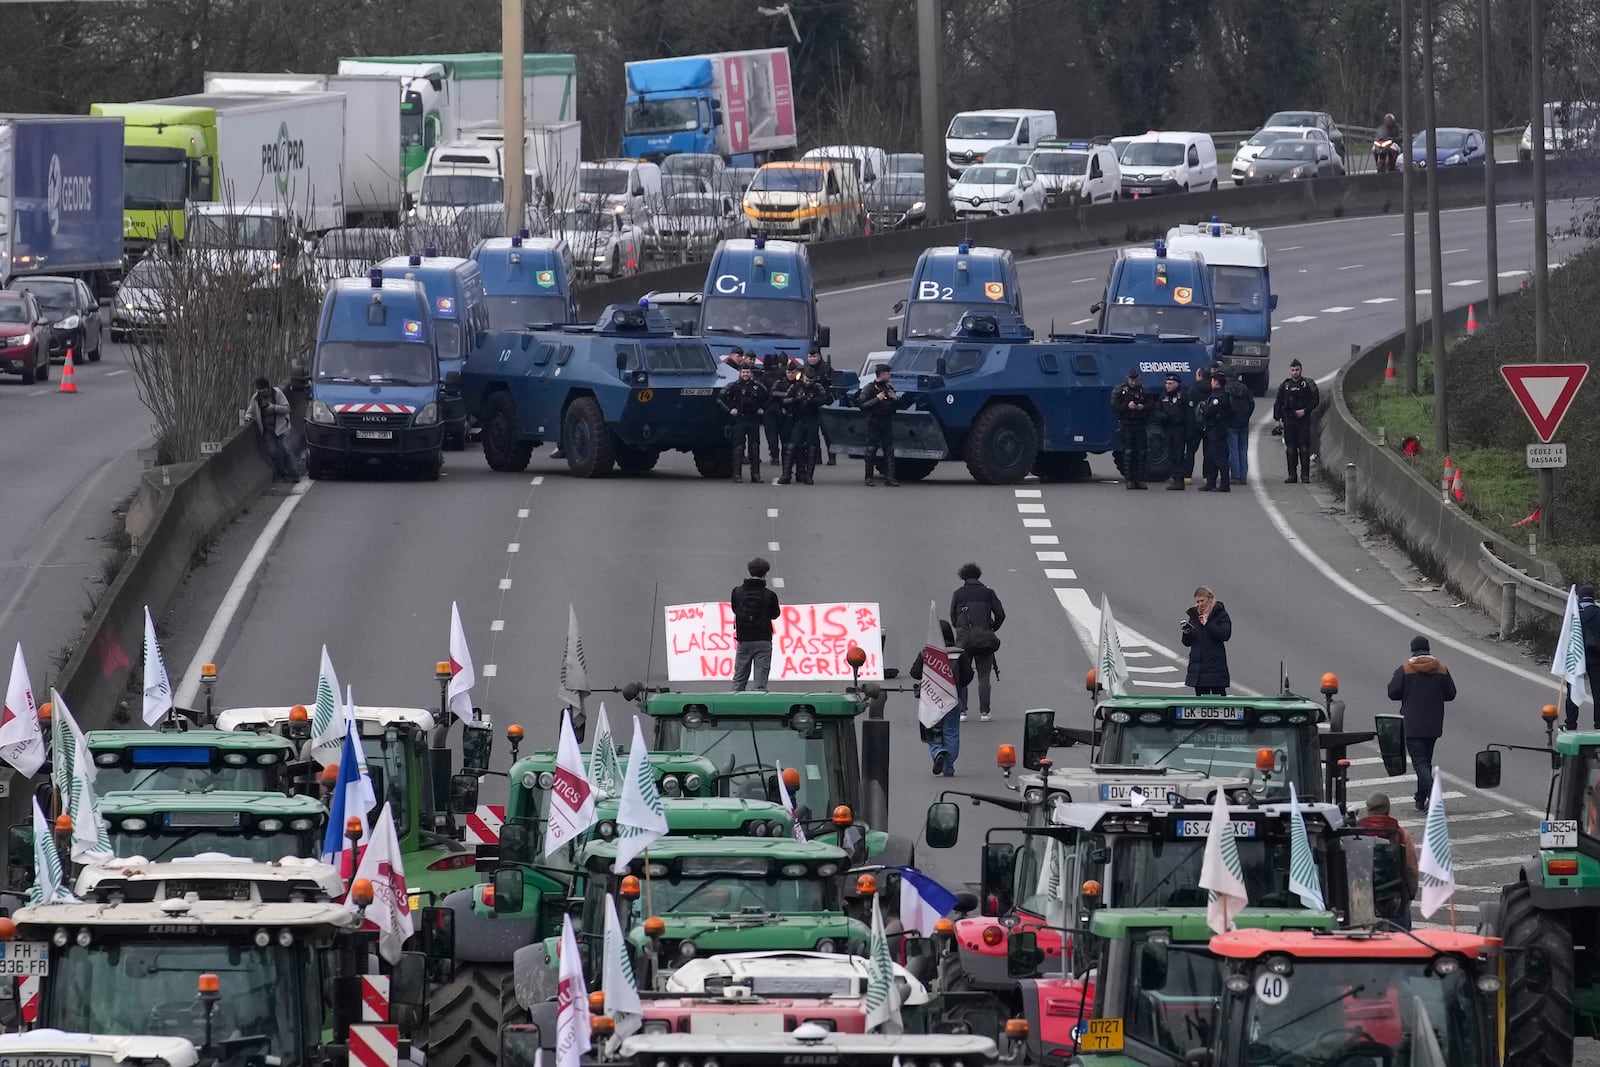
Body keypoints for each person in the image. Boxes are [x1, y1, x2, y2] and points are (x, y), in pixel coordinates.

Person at [1386, 635, 1456, 811]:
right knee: (1425, 762)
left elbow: (1393, 692)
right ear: (1428, 649)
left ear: (1413, 650)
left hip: (1412, 724)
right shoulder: (1441, 669)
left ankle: (1433, 794)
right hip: (1433, 724)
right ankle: (1420, 798)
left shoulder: (1406, 669)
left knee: (1419, 763)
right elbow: (1451, 693)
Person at [910, 619, 974, 776]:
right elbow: (967, 677)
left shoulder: (926, 652)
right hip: (952, 699)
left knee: (932, 729)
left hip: (932, 699)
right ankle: (948, 766)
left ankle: (938, 751)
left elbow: (915, 673)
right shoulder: (959, 653)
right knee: (951, 732)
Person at [950, 563, 1005, 722]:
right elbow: (1000, 614)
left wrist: (962, 631)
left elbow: (953, 618)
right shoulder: (988, 593)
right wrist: (991, 628)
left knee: (962, 677)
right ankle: (984, 712)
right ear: (978, 575)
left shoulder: (958, 594)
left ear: (963, 576)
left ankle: (962, 711)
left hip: (964, 642)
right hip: (985, 640)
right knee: (984, 677)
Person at [1357, 792, 1419, 931]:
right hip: (1395, 899)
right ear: (1388, 809)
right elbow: (1411, 868)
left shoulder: (1357, 832)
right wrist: (1410, 893)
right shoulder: (1401, 834)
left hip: (1365, 898)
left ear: (1368, 810)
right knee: (1401, 943)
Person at [729, 557, 781, 692]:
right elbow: (775, 614)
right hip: (763, 640)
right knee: (760, 681)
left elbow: (735, 610)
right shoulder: (770, 595)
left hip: (744, 639)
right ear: (765, 573)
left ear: (750, 572)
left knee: (739, 678)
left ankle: (734, 706)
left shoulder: (737, 591)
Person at [1272, 358, 1320, 484]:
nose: (1295, 372)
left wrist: (1305, 410)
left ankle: (1305, 475)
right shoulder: (1285, 385)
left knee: (1304, 448)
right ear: (1290, 370)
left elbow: (1315, 400)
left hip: (1303, 419)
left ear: (1301, 370)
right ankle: (1292, 475)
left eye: (1297, 370)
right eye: (1293, 370)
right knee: (1290, 448)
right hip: (1289, 419)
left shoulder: (1307, 384)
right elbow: (1278, 402)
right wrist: (1277, 420)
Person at [720, 364, 768, 483]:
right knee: (738, 448)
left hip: (753, 420)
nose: (745, 374)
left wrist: (762, 408)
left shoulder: (758, 386)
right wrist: (730, 409)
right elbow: (720, 398)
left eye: (747, 372)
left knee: (754, 448)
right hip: (739, 420)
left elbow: (768, 398)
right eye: (743, 372)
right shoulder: (735, 386)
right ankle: (737, 474)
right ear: (740, 373)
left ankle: (755, 474)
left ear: (751, 373)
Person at [1182, 587, 1232, 695]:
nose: (1200, 604)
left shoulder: (1220, 614)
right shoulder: (1194, 616)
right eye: (1197, 601)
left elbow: (1225, 635)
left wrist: (1208, 623)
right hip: (1198, 669)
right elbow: (1187, 643)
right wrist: (1186, 632)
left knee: (1219, 704)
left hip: (1215, 668)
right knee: (1200, 703)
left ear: (1210, 599)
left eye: (1202, 601)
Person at [781, 361, 824, 485]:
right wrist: (796, 399)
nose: (807, 383)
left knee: (811, 448)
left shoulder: (817, 387)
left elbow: (824, 398)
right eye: (806, 380)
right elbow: (785, 400)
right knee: (792, 446)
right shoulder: (796, 386)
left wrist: (811, 400)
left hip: (812, 420)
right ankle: (786, 474)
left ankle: (808, 475)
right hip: (799, 419)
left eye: (810, 380)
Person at [857, 364, 899, 486]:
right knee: (871, 449)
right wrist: (877, 399)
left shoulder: (889, 387)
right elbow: (862, 404)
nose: (889, 376)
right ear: (881, 375)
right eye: (887, 373)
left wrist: (895, 399)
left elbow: (896, 407)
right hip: (874, 422)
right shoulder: (869, 388)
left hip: (886, 422)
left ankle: (890, 477)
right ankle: (868, 477)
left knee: (889, 450)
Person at [1565, 585, 1600, 730]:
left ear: (1579, 597)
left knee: (1573, 690)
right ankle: (1598, 725)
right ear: (1593, 597)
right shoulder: (1598, 613)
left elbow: (1565, 636)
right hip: (1596, 658)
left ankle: (1571, 724)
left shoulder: (1572, 614)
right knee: (1598, 693)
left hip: (1575, 657)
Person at [1110, 370, 1152, 490]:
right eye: (1131, 380)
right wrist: (1127, 406)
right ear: (1127, 379)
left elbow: (1152, 405)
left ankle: (1140, 479)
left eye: (1135, 380)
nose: (1133, 382)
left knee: (1141, 453)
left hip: (1140, 424)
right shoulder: (1121, 391)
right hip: (1126, 424)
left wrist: (1141, 407)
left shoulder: (1144, 390)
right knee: (1128, 453)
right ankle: (1129, 479)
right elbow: (1115, 406)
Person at [250, 377, 296, 480]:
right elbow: (250, 410)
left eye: (263, 389)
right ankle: (282, 472)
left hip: (281, 427)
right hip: (268, 430)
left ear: (267, 388)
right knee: (273, 452)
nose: (261, 391)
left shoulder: (277, 393)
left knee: (285, 449)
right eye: (259, 389)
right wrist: (247, 417)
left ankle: (294, 473)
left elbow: (287, 408)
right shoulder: (255, 398)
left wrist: (274, 408)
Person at [1198, 369, 1233, 492]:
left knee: (1220, 457)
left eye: (1212, 380)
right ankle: (1211, 482)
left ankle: (1224, 483)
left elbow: (1209, 411)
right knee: (1210, 457)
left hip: (1217, 430)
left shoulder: (1220, 397)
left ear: (1217, 382)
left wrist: (1203, 407)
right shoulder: (1215, 395)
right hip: (1211, 429)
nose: (1211, 382)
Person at [1156, 373, 1190, 490]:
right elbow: (1157, 411)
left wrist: (1175, 418)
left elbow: (1188, 414)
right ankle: (1175, 477)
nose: (1168, 386)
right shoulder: (1163, 396)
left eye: (1170, 384)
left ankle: (1180, 479)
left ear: (1177, 384)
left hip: (1178, 429)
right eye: (1166, 383)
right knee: (1170, 454)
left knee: (1179, 454)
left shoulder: (1183, 396)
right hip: (1167, 428)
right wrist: (1163, 417)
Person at [805, 342, 837, 465]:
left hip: (825, 405)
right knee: (813, 433)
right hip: (812, 406)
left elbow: (834, 384)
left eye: (814, 356)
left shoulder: (826, 369)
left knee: (827, 432)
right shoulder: (806, 371)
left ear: (819, 356)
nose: (812, 359)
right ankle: (816, 457)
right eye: (810, 356)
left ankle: (832, 456)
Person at [1224, 370, 1255, 484]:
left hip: (1231, 424)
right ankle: (1243, 476)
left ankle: (1236, 475)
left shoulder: (1226, 389)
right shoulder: (1244, 388)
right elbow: (1252, 404)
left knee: (1233, 450)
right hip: (1244, 423)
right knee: (1243, 449)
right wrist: (1246, 416)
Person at [1184, 365, 1211, 482]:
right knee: (1208, 452)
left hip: (1194, 425)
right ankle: (1207, 476)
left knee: (1190, 451)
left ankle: (1187, 476)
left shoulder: (1192, 389)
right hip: (1209, 424)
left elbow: (1187, 408)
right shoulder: (1212, 388)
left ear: (1199, 376)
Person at [761, 353, 788, 464]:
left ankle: (775, 455)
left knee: (771, 434)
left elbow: (762, 393)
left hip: (769, 408)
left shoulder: (764, 376)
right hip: (783, 406)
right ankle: (786, 456)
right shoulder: (783, 374)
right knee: (784, 433)